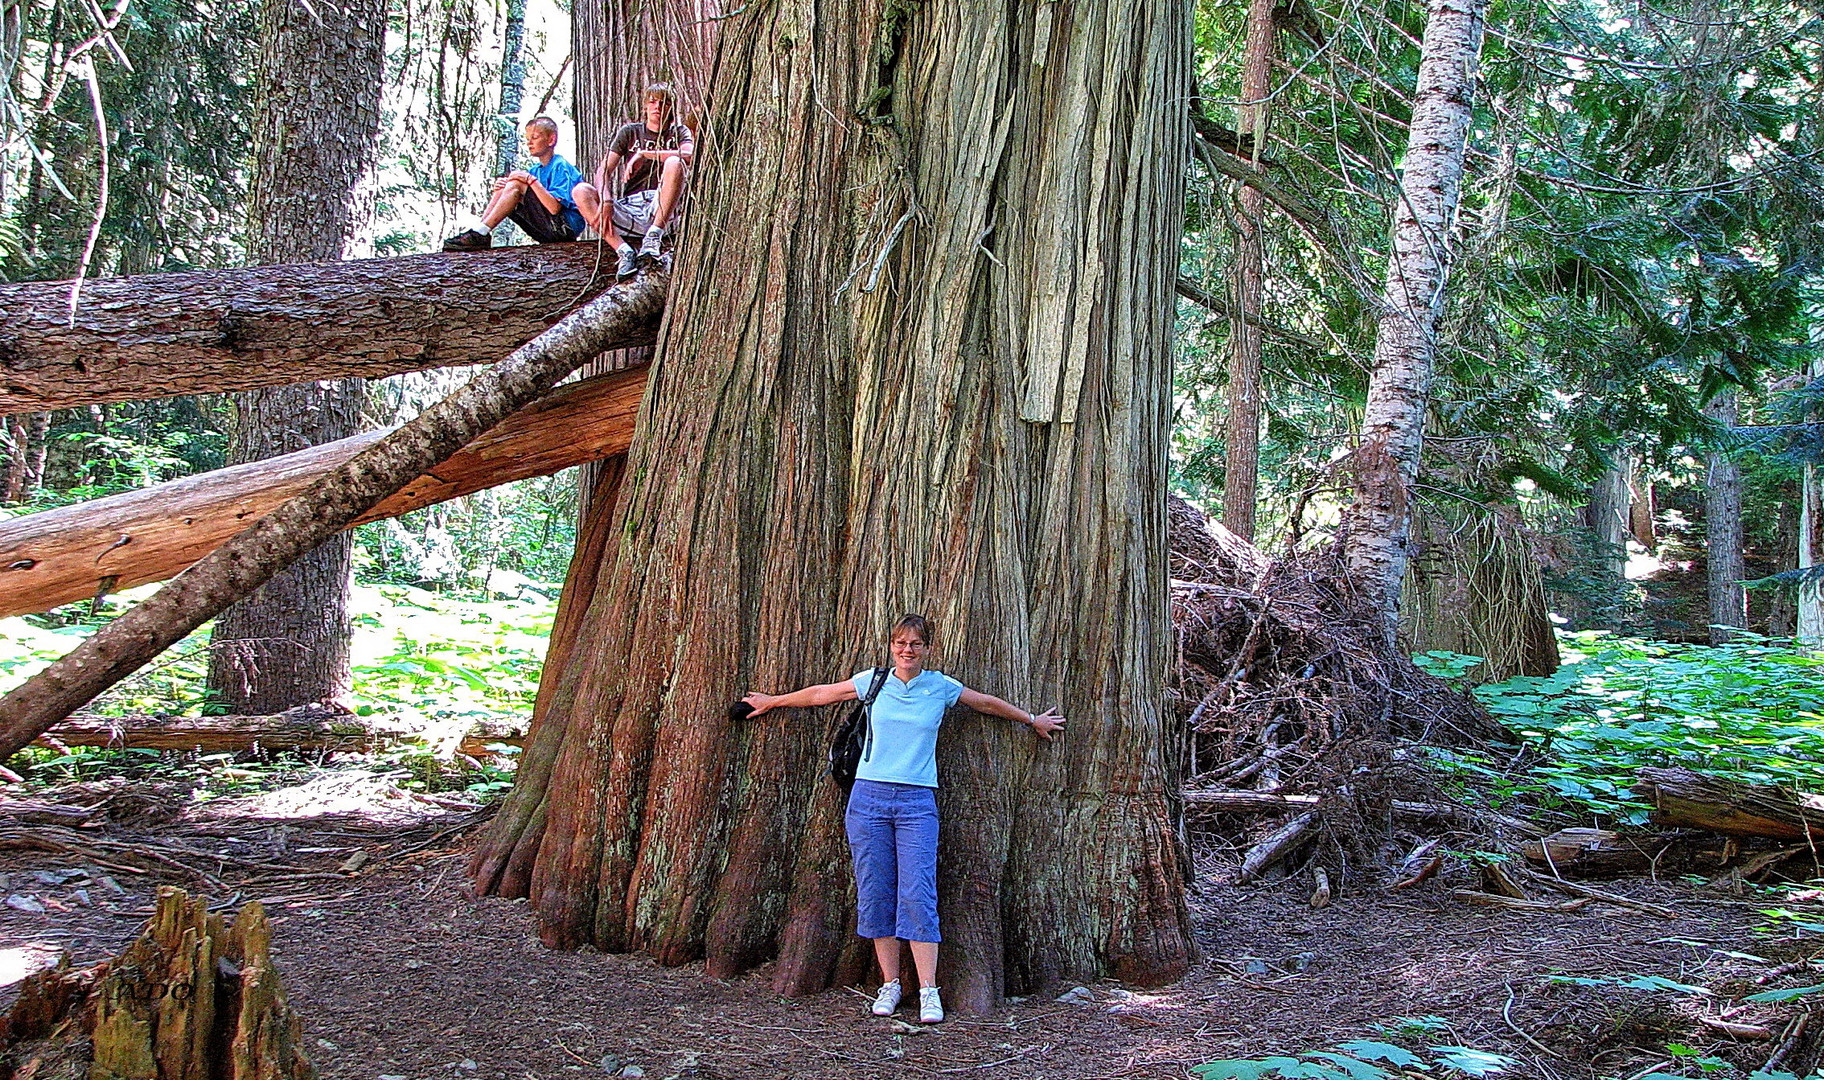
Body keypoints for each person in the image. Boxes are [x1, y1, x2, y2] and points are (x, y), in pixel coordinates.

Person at [740, 614, 1065, 1024]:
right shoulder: (873, 682)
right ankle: (890, 984)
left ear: (927, 649)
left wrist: (1030, 719)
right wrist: (773, 700)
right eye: (900, 643)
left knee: (918, 890)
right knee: (876, 888)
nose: (907, 650)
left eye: (915, 644)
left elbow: (983, 703)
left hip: (917, 802)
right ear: (891, 646)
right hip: (868, 798)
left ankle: (929, 990)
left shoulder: (940, 687)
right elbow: (822, 694)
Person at [571, 83, 694, 279]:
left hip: (665, 208)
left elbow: (688, 154)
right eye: (652, 102)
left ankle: (654, 236)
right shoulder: (630, 132)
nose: (658, 107)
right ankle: (624, 251)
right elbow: (604, 170)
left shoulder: (679, 132)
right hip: (632, 208)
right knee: (580, 191)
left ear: (672, 107)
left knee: (674, 162)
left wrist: (645, 154)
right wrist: (606, 200)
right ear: (645, 106)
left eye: (664, 103)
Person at [442, 117, 587, 252]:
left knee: (517, 184)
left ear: (551, 139)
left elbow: (554, 208)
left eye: (535, 138)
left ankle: (481, 232)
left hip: (564, 228)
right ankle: (479, 232)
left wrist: (530, 180)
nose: (529, 143)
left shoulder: (560, 166)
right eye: (527, 139)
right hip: (547, 229)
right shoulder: (535, 170)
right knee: (508, 186)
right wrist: (504, 188)